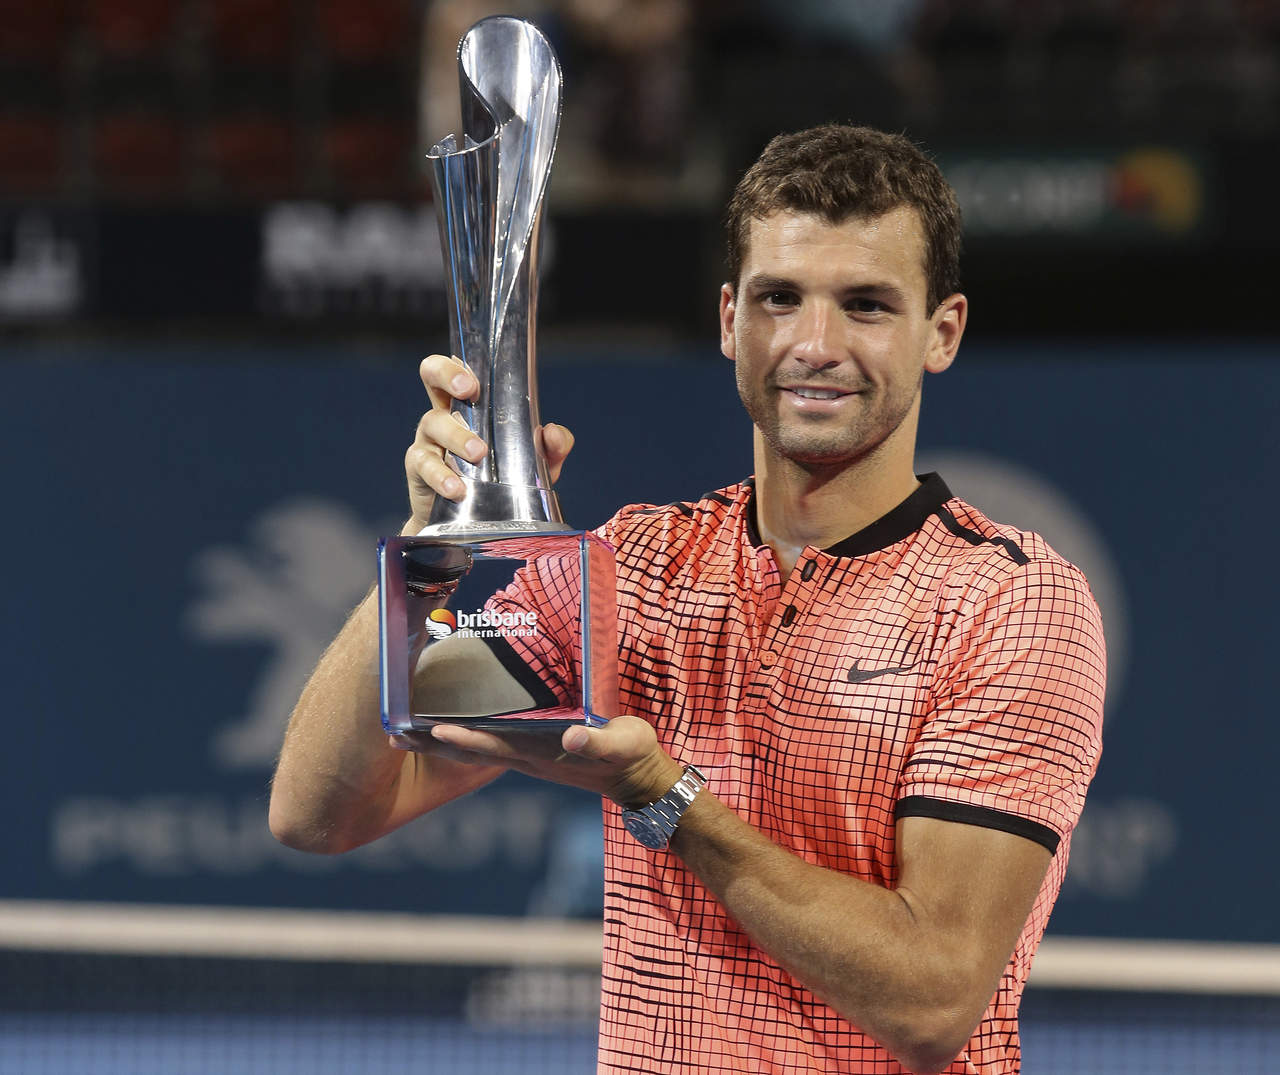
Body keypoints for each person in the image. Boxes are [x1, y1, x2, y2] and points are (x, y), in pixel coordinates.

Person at [270, 124, 1105, 1074]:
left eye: (866, 305)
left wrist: (665, 797)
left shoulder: (1012, 601)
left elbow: (930, 998)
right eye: (779, 298)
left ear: (941, 331)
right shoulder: (634, 564)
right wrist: (429, 551)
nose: (815, 343)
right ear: (727, 320)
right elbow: (318, 810)